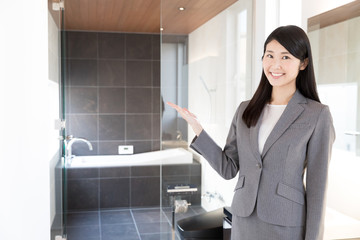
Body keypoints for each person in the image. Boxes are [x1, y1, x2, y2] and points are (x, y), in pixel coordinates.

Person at [167, 25, 335, 240]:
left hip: (286, 223)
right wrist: (197, 128)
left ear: (303, 63)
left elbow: (317, 188)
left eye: (286, 57)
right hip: (244, 219)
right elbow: (229, 168)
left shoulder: (316, 114)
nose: (275, 64)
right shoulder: (246, 109)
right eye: (270, 55)